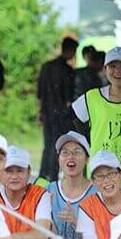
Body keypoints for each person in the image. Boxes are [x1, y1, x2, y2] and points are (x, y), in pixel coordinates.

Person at [73, 47, 121, 189]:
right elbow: (72, 123)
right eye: (112, 66)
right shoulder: (91, 98)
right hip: (100, 175)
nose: (118, 71)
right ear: (104, 69)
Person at [37, 37, 78, 181]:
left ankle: (43, 175)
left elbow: (40, 92)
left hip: (46, 111)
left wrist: (39, 111)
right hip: (60, 113)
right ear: (71, 50)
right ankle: (53, 176)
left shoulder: (46, 66)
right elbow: (69, 97)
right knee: (57, 144)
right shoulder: (67, 70)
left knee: (47, 144)